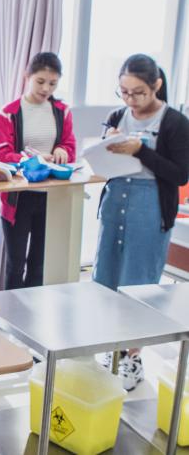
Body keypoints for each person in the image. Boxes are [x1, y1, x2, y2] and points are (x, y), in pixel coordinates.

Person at [94, 54, 189, 391]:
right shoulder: (117, 115)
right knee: (104, 277)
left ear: (156, 86)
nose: (130, 100)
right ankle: (108, 349)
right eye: (124, 92)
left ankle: (131, 356)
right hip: (116, 198)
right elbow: (102, 161)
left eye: (138, 93)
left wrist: (140, 150)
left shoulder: (175, 122)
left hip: (150, 204)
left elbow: (180, 174)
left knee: (139, 282)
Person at [0, 52, 76, 289]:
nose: (46, 89)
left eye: (52, 83)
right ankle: (9, 316)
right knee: (15, 263)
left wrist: (62, 150)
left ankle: (31, 319)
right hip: (18, 197)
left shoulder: (62, 110)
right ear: (27, 76)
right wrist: (31, 159)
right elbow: (2, 155)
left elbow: (70, 146)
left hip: (50, 194)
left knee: (39, 263)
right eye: (40, 81)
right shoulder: (9, 112)